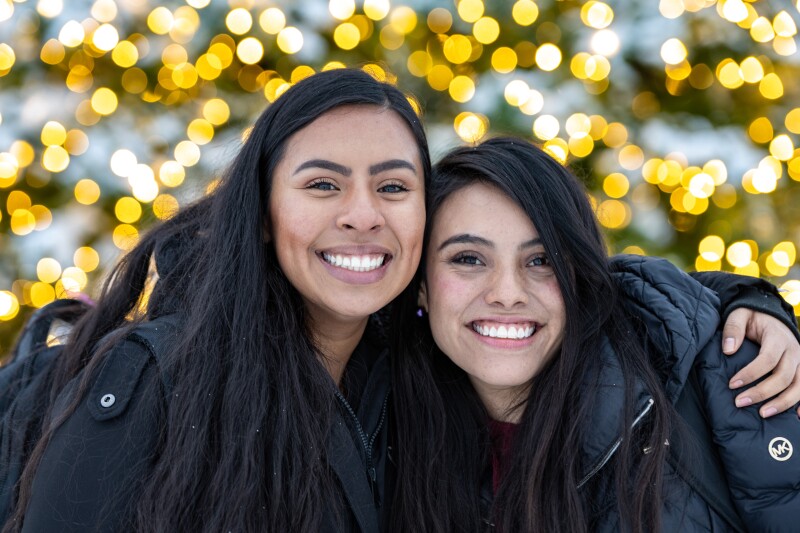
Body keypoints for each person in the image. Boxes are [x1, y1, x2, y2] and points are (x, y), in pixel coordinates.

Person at [3, 70, 798, 533]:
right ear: (262, 206)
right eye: (322, 183)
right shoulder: (159, 377)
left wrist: (745, 301)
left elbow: (617, 291)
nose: (361, 214)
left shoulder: (408, 377)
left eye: (392, 184)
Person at [390, 136, 800, 532]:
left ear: (579, 275)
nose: (507, 294)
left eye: (541, 260)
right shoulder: (385, 419)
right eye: (468, 259)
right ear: (421, 280)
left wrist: (753, 299)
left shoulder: (729, 375)